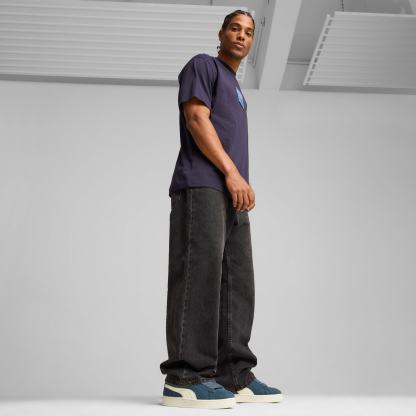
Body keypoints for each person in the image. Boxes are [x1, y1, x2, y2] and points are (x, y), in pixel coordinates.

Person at [159, 10, 283, 409]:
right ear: (221, 33)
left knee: (237, 282)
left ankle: (234, 373)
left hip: (233, 193)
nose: (241, 36)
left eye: (248, 32)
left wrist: (238, 182)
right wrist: (232, 173)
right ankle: (185, 376)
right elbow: (196, 118)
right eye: (234, 28)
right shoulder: (204, 66)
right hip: (203, 185)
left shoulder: (236, 87)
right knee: (200, 278)